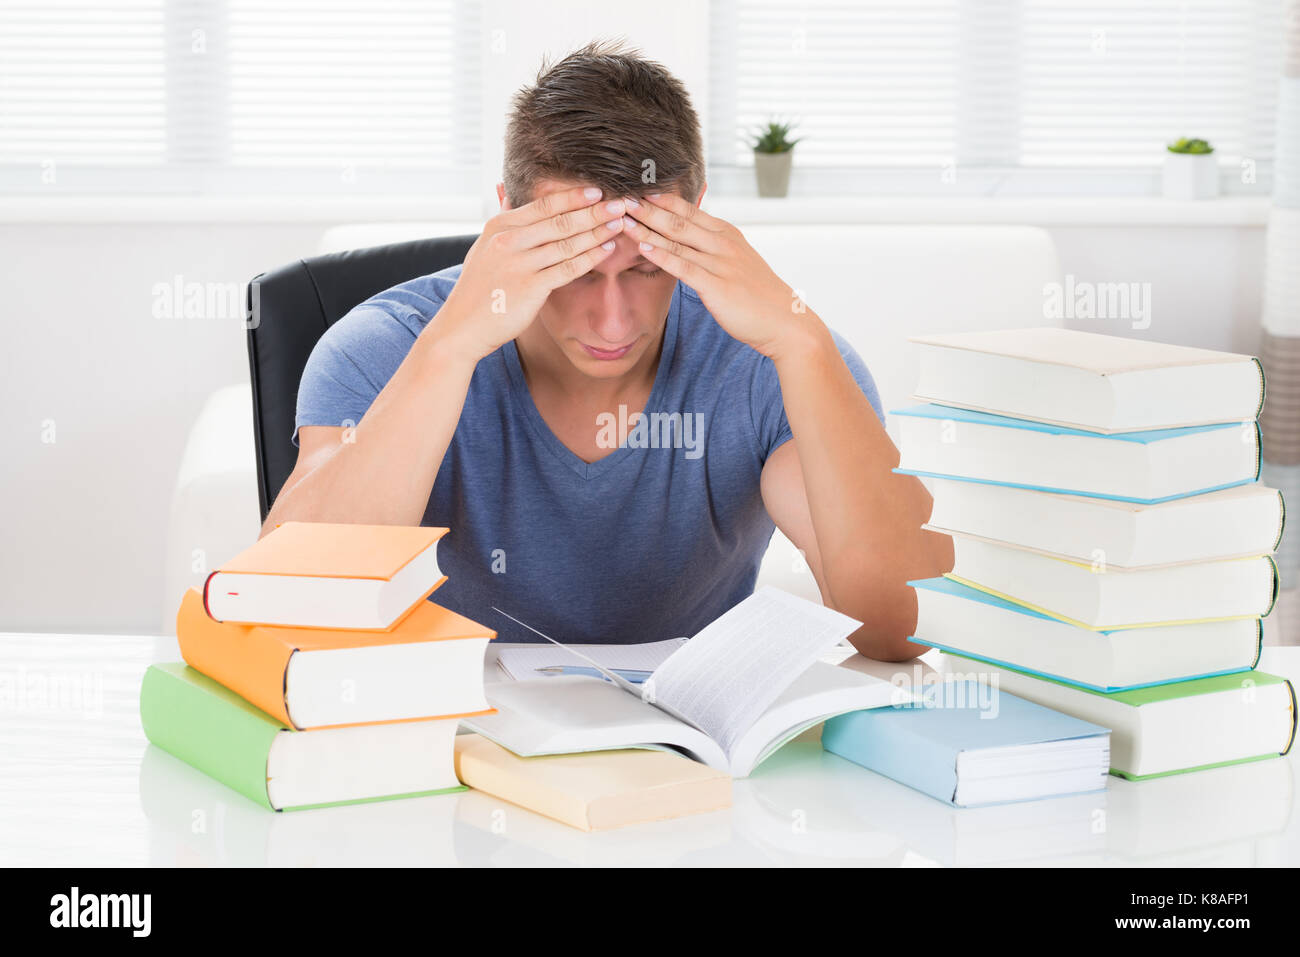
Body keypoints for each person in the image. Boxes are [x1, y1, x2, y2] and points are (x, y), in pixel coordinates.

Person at [265, 39, 952, 659]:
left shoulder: (777, 362)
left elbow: (897, 629)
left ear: (698, 216)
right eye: (575, 267)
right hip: (448, 734)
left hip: (688, 745)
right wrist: (449, 349)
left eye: (647, 268)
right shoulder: (388, 346)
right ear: (507, 217)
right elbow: (298, 600)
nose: (613, 322)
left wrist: (802, 341)